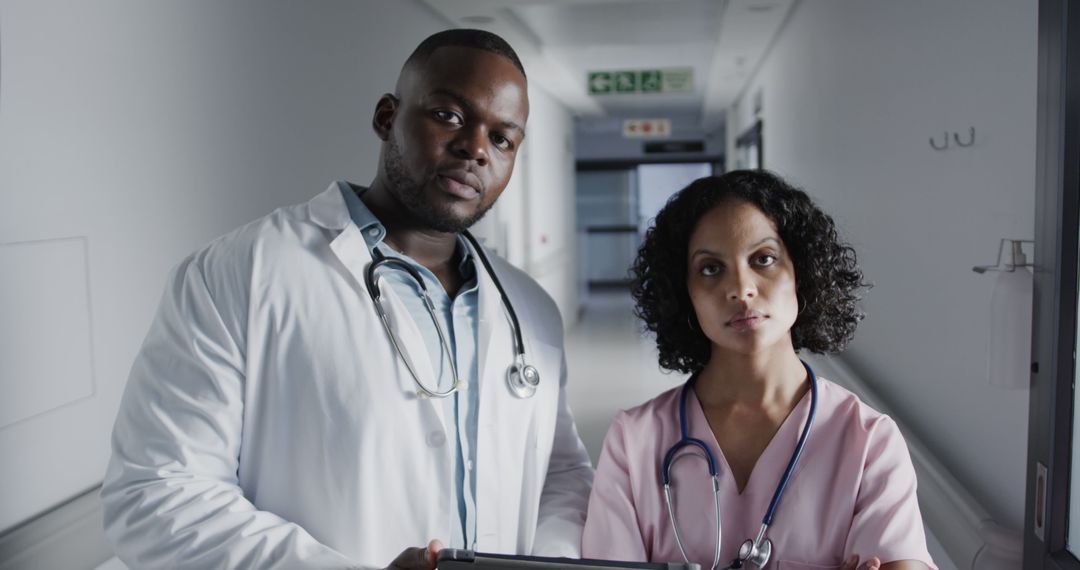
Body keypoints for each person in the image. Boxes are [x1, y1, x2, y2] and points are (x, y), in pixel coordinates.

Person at [101, 29, 593, 570]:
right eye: (449, 115)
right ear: (387, 117)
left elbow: (561, 475)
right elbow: (158, 492)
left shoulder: (529, 309)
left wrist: (553, 561)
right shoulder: (238, 274)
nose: (475, 148)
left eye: (502, 139)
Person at [581, 171, 935, 570]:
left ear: (802, 271)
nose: (741, 288)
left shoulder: (869, 442)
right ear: (685, 294)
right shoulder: (634, 441)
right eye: (711, 269)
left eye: (763, 259)